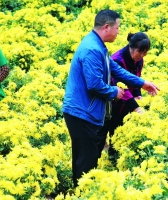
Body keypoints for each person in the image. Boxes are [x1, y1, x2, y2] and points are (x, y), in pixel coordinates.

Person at [62, 9, 159, 187]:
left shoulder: (98, 45)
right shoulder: (92, 48)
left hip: (84, 111)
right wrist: (115, 92)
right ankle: (83, 194)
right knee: (87, 159)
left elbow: (115, 69)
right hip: (81, 112)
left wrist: (142, 83)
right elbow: (94, 84)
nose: (119, 31)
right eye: (117, 27)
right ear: (107, 27)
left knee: (85, 157)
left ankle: (81, 192)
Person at [101, 32, 150, 164]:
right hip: (114, 99)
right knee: (114, 126)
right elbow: (120, 86)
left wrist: (138, 94)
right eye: (140, 52)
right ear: (131, 47)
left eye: (145, 52)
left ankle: (122, 156)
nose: (142, 55)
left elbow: (136, 78)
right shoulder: (118, 59)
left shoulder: (139, 60)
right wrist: (136, 107)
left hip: (127, 100)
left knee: (125, 128)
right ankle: (111, 158)